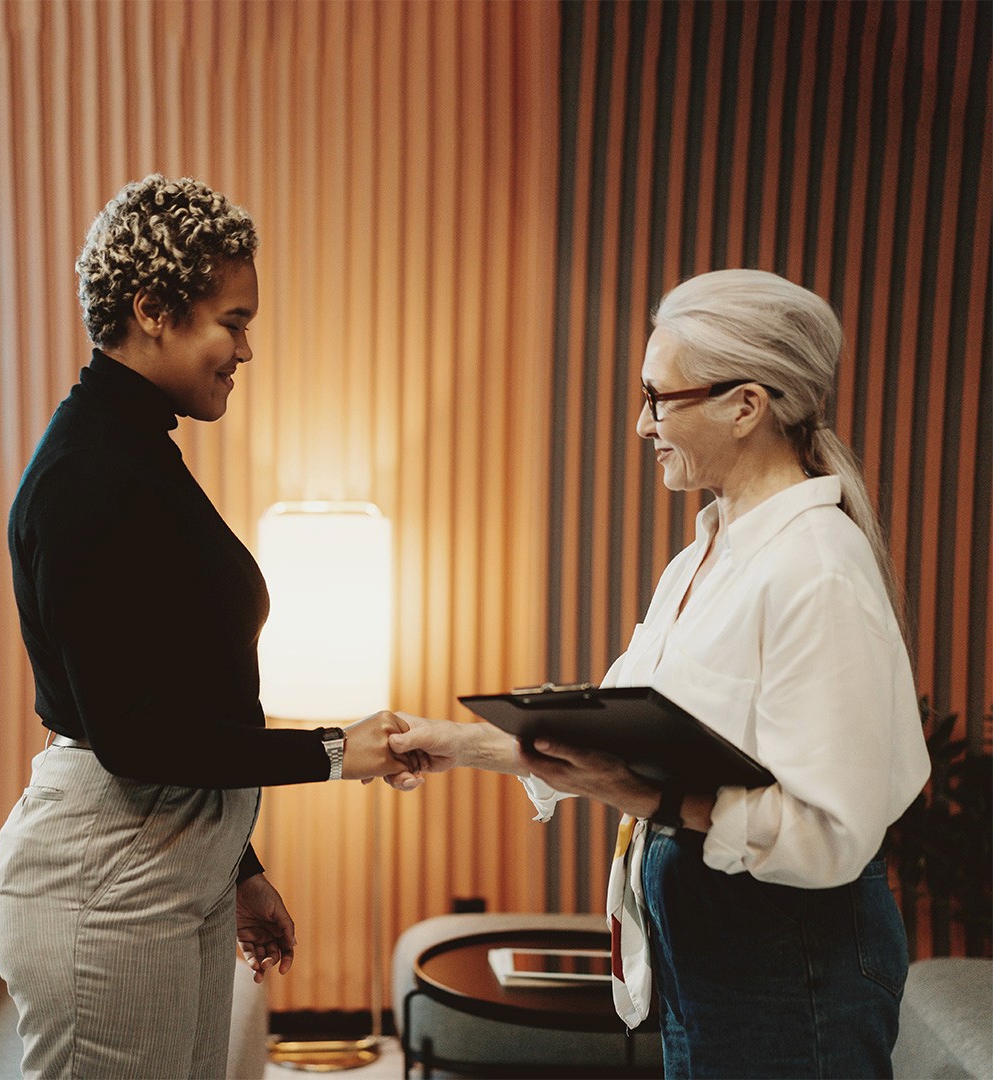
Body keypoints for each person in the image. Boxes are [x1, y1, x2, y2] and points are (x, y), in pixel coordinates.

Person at [390, 269, 930, 1079]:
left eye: (659, 397)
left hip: (790, 972)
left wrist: (649, 800)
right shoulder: (705, 553)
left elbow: (830, 835)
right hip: (710, 959)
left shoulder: (817, 570)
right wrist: (456, 745)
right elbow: (616, 735)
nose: (643, 424)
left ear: (745, 406)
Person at [0, 174, 420, 1080]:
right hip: (103, 879)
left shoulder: (139, 451)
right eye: (233, 320)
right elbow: (137, 735)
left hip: (165, 858)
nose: (247, 349)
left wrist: (238, 863)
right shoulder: (87, 476)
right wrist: (338, 751)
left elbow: (189, 690)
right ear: (153, 309)